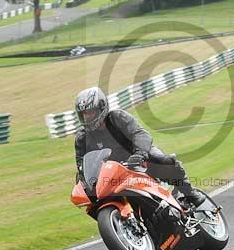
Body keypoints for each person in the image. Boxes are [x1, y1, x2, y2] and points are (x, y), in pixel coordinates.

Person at [73, 87, 205, 207]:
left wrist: (140, 153)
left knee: (161, 160)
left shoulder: (118, 117)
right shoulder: (82, 137)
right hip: (112, 174)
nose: (87, 116)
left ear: (101, 107)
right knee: (95, 202)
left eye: (90, 112)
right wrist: (86, 183)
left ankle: (190, 194)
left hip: (137, 158)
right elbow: (82, 164)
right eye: (84, 114)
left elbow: (140, 134)